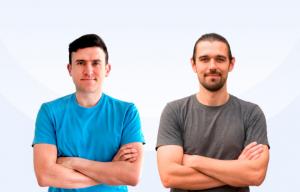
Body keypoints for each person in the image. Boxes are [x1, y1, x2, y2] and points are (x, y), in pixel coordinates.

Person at [156, 33, 269, 192]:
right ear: (193, 64)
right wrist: (236, 170)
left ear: (231, 64)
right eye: (204, 59)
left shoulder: (251, 113)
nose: (212, 66)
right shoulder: (174, 111)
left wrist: (195, 161)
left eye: (220, 59)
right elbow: (169, 176)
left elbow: (255, 174)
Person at [32, 34, 145, 192]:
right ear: (70, 69)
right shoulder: (50, 112)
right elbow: (45, 176)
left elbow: (131, 175)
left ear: (107, 69)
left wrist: (72, 163)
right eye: (80, 63)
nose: (88, 70)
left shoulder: (127, 112)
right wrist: (111, 171)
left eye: (96, 63)